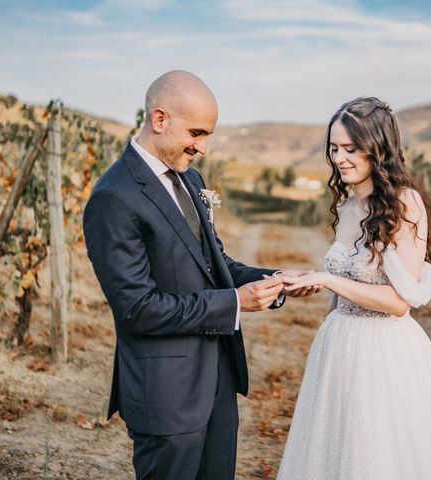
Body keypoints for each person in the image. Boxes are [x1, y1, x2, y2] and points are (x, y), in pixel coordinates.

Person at [83, 70, 317, 480]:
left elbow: (214, 264)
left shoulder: (191, 179)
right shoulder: (113, 197)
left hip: (217, 381)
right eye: (196, 132)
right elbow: (138, 309)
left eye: (208, 134)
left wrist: (277, 278)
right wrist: (236, 304)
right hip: (166, 393)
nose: (204, 147)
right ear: (159, 120)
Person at [277, 97, 431, 479]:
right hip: (337, 348)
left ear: (378, 148)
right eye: (335, 148)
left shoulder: (406, 204)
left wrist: (327, 279)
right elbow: (341, 291)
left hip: (383, 353)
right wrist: (313, 287)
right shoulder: (346, 206)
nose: (339, 158)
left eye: (351, 148)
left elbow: (399, 303)